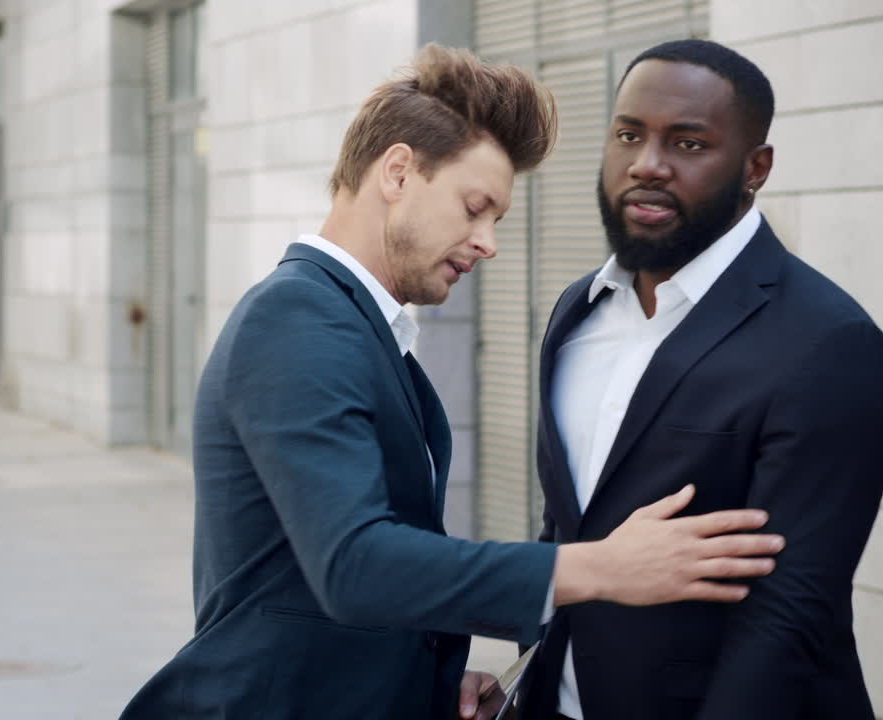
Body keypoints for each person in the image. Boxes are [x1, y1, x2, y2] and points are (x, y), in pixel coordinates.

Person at [118, 43, 784, 720]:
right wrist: (603, 568)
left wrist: (432, 677)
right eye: (474, 208)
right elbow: (355, 564)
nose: (487, 241)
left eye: (494, 219)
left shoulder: (360, 329)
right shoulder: (296, 319)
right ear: (399, 172)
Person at [516, 39, 883, 720]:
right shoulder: (574, 313)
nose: (646, 165)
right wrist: (526, 674)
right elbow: (566, 531)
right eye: (628, 134)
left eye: (688, 144)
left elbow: (789, 615)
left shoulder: (830, 344)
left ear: (755, 168)